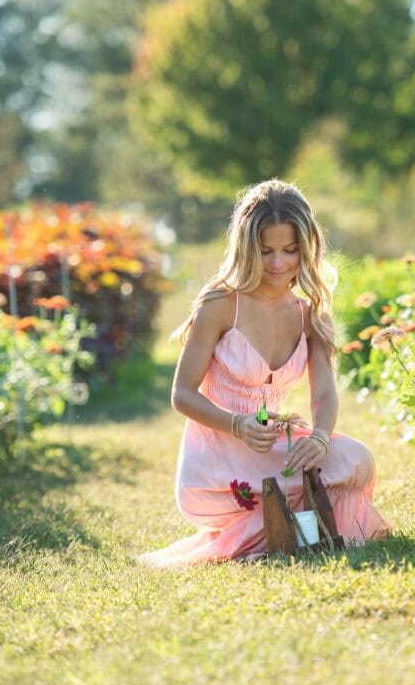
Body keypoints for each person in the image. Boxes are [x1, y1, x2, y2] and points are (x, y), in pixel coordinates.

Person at [138, 179, 391, 567]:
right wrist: (238, 424)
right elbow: (182, 394)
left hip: (275, 447)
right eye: (266, 250)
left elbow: (323, 393)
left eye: (290, 251)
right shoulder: (221, 303)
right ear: (246, 247)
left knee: (354, 458)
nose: (278, 263)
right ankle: (278, 530)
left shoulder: (310, 312)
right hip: (219, 455)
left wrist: (321, 438)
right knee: (315, 486)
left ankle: (286, 530)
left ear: (306, 249)